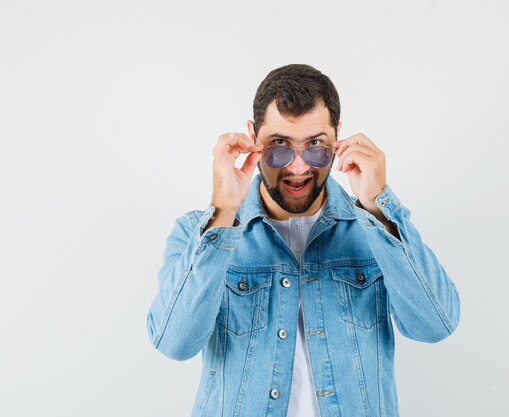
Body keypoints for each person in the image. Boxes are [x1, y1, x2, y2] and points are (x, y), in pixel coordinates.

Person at [147, 63, 460, 417]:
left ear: (337, 138)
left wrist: (378, 207)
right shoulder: (198, 234)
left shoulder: (372, 228)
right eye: (279, 145)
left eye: (315, 146)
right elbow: (174, 343)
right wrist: (223, 210)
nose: (298, 168)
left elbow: (436, 324)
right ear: (253, 138)